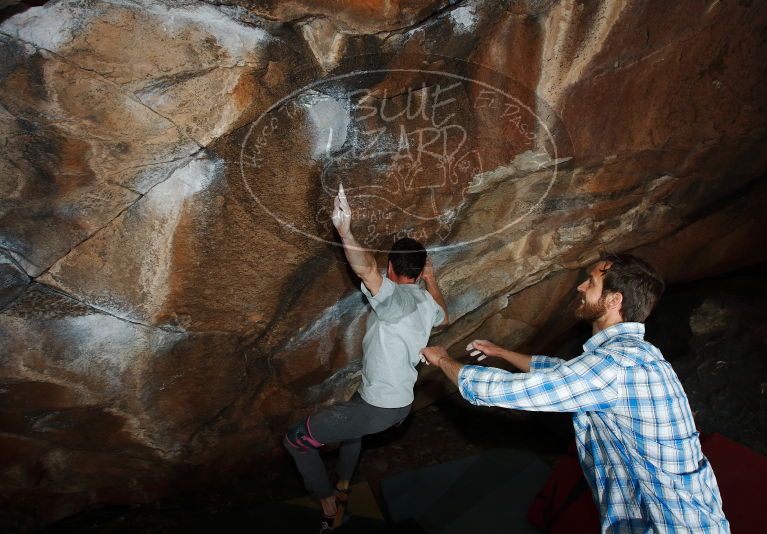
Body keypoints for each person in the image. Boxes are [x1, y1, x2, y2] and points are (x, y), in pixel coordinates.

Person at [421, 253, 730, 533]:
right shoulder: (632, 355)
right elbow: (563, 373)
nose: (581, 287)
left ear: (613, 300)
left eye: (592, 283)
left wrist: (444, 360)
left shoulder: (617, 365)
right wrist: (502, 352)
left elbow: (508, 390)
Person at [284, 185, 448, 533]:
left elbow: (365, 270)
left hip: (379, 407)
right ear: (419, 274)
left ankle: (328, 504)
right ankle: (344, 485)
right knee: (353, 432)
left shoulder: (393, 300)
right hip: (400, 402)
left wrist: (346, 232)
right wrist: (433, 281)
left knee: (295, 439)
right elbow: (444, 316)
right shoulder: (424, 301)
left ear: (392, 267)